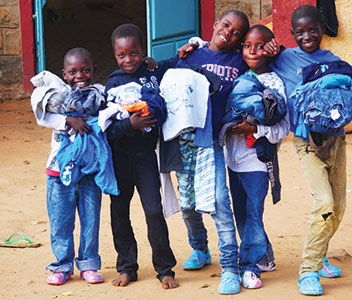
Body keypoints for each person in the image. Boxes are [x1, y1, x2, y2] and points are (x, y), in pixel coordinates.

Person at [264, 5, 352, 296]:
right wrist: (269, 50)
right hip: (305, 141)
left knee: (339, 207)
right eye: (300, 31)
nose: (307, 35)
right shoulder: (282, 58)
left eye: (312, 29)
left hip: (336, 140)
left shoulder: (335, 61)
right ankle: (308, 271)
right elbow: (253, 60)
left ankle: (319, 255)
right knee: (323, 203)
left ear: (322, 28)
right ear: (292, 33)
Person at [175, 10, 250, 295]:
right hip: (184, 140)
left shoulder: (239, 62)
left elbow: (264, 61)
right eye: (226, 25)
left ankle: (230, 267)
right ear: (216, 23)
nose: (229, 33)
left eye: (236, 33)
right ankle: (200, 248)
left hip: (213, 140)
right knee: (187, 204)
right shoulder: (192, 55)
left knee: (219, 200)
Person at [104, 23, 179, 289]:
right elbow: (106, 129)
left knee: (154, 212)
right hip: (120, 159)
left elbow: (174, 64)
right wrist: (130, 125)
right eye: (122, 55)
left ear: (143, 51)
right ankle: (126, 267)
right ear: (115, 55)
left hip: (146, 157)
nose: (129, 59)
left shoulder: (151, 72)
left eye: (134, 53)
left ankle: (164, 268)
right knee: (119, 214)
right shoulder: (112, 84)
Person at [30, 48, 109, 285]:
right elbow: (41, 117)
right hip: (58, 172)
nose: (80, 75)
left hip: (89, 171)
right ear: (64, 74)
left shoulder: (98, 95)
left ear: (93, 70)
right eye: (73, 71)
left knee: (91, 219)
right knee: (60, 221)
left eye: (85, 70)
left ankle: (88, 264)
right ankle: (62, 266)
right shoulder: (59, 98)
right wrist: (67, 119)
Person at [221, 25, 289, 289]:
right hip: (232, 158)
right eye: (247, 45)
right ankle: (265, 256)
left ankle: (249, 267)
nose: (252, 51)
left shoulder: (275, 82)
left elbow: (283, 127)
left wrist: (255, 129)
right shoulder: (237, 75)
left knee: (253, 213)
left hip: (258, 161)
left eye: (260, 46)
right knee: (241, 213)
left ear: (270, 49)